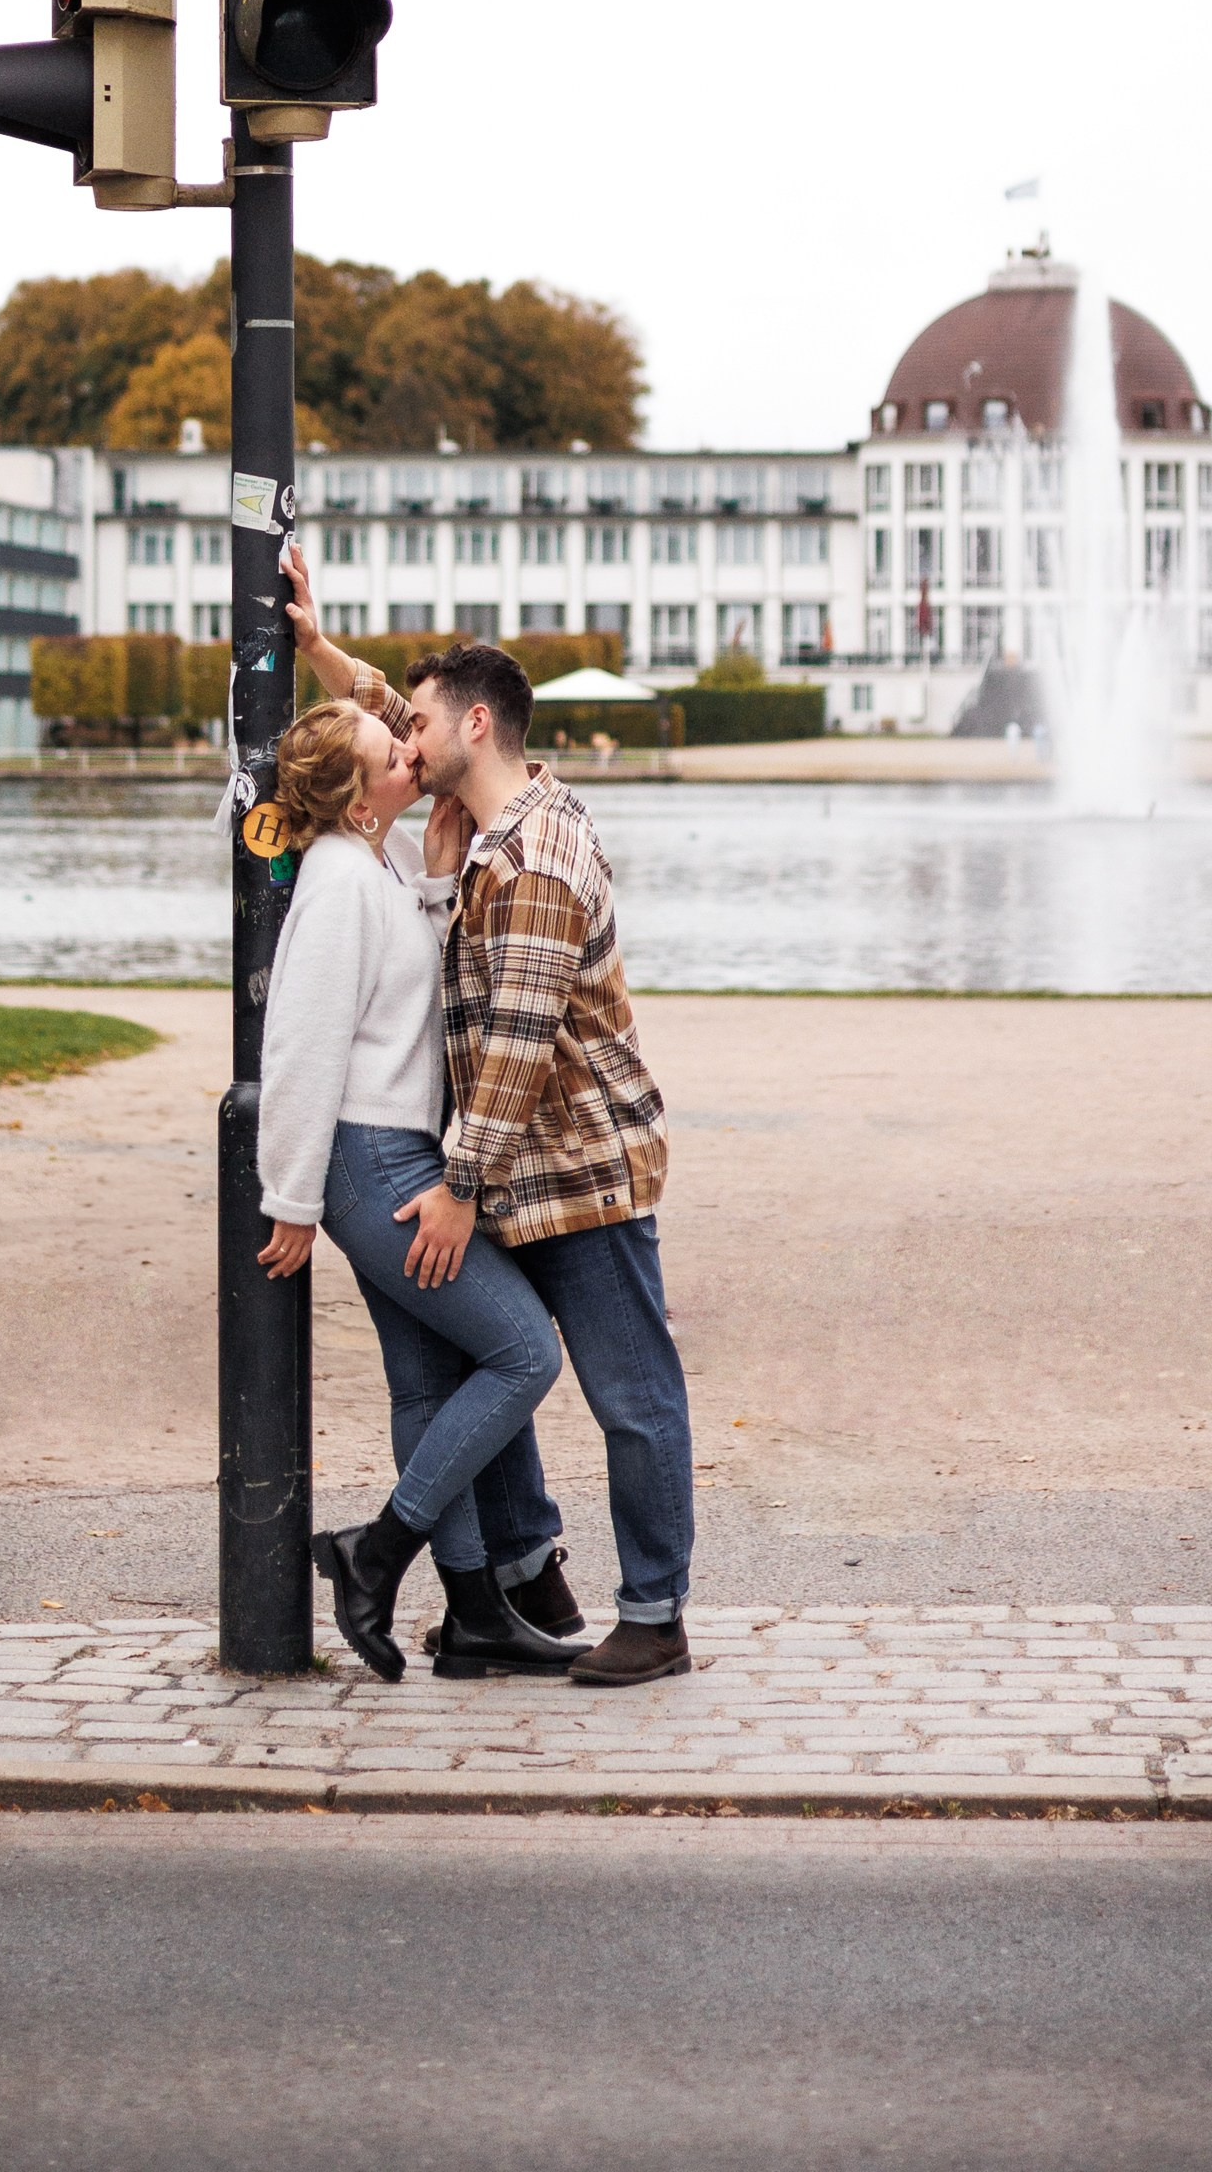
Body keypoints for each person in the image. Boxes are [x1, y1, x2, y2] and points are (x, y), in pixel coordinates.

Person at [281, 541, 696, 1687]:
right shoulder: (493, 813)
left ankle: (654, 1614)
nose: (402, 737)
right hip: (514, 1167)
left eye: (419, 721)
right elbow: (381, 733)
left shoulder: (533, 863)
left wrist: (458, 1190)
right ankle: (517, 1582)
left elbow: (514, 1048)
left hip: (580, 1168)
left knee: (628, 1394)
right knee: (495, 1365)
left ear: (469, 726)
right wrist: (322, 653)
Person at [253, 693, 585, 1684]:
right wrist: (293, 1200)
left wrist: (438, 883)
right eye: (387, 756)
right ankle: (380, 1552)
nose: (409, 753)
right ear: (357, 800)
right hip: (371, 1168)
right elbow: (301, 1049)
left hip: (399, 1152)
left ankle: (477, 1613)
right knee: (524, 1353)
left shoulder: (381, 865)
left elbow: (415, 992)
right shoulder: (337, 884)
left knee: (426, 1385)